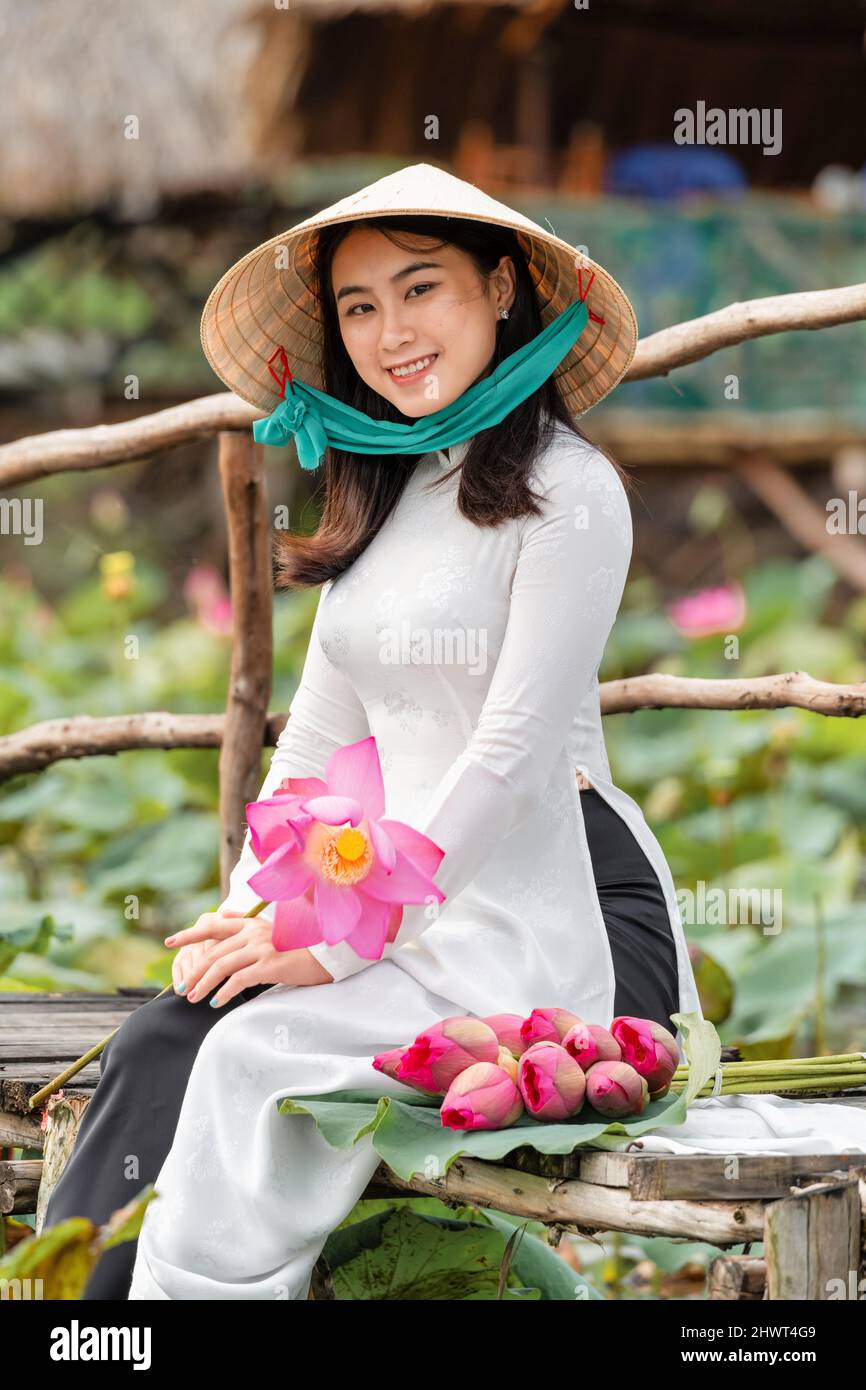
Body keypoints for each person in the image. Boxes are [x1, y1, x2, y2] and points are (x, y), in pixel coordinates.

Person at [45, 163, 703, 1300]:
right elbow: (309, 753)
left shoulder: (571, 492)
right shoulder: (392, 500)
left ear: (500, 290)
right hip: (405, 906)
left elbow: (505, 754)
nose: (389, 333)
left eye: (419, 290)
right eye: (358, 307)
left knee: (252, 1054)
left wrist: (334, 945)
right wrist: (252, 905)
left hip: (559, 913)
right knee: (169, 1030)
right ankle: (76, 1316)